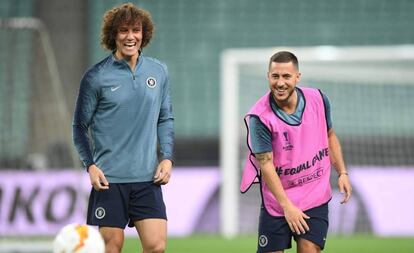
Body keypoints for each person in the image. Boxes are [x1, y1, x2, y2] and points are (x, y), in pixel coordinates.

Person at [72, 3, 174, 253]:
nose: (130, 37)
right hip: (109, 180)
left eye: (136, 30)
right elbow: (79, 126)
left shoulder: (158, 71)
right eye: (124, 30)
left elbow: (165, 118)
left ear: (144, 34)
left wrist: (167, 158)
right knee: (112, 247)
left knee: (156, 246)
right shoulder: (96, 76)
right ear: (113, 35)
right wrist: (90, 166)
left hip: (147, 179)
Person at [240, 51, 352, 253]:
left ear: (297, 77)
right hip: (278, 199)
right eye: (275, 76)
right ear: (268, 76)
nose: (280, 83)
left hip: (313, 194)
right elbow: (265, 165)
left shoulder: (318, 99)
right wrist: (287, 207)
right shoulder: (259, 117)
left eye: (286, 76)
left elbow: (330, 136)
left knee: (310, 249)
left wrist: (342, 172)